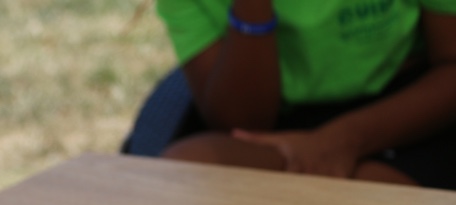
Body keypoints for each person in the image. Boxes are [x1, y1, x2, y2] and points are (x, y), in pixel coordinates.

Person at [155, 0, 456, 188]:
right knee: (184, 176)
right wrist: (253, 8)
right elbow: (243, 122)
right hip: (285, 125)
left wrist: (342, 141)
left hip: (404, 113)